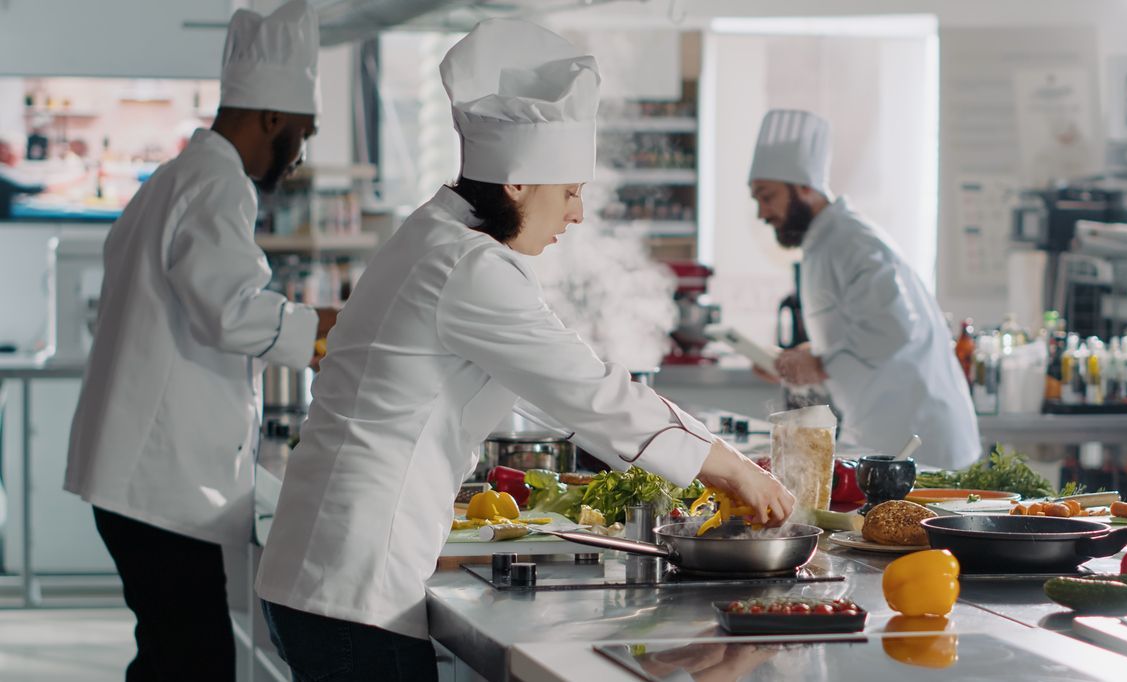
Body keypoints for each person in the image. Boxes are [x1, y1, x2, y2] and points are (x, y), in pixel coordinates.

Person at [256, 19, 794, 681]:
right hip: (353, 583)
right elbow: (587, 391)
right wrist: (732, 468)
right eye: (569, 191)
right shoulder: (468, 265)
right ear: (515, 183)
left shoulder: (434, 235)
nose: (576, 213)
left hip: (329, 568)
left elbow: (549, 387)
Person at [63, 1, 337, 679]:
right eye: (301, 133)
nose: (299, 154)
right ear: (270, 118)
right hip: (153, 486)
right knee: (193, 664)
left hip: (140, 480)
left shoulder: (178, 176)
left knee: (175, 659)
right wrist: (330, 329)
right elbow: (230, 311)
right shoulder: (218, 183)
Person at [748, 109, 980, 470]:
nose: (762, 213)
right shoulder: (824, 243)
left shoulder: (852, 241)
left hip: (920, 436)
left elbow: (893, 328)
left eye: (767, 197)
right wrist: (798, 359)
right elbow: (859, 328)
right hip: (885, 432)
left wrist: (819, 364)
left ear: (805, 187)